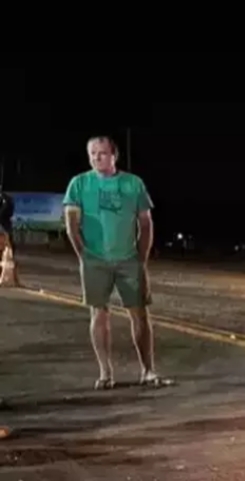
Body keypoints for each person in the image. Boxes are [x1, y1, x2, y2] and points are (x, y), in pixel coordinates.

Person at [63, 136, 170, 389]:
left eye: (102, 153)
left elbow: (145, 223)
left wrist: (141, 257)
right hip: (95, 260)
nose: (96, 157)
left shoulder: (133, 184)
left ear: (114, 155)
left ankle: (148, 370)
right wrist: (84, 254)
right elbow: (71, 224)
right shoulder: (79, 184)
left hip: (128, 259)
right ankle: (105, 373)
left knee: (139, 313)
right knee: (98, 314)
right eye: (92, 153)